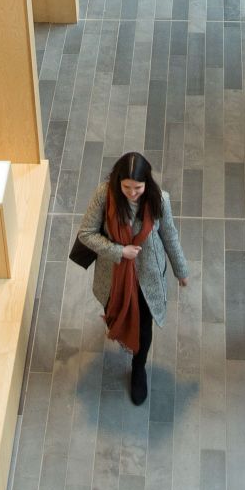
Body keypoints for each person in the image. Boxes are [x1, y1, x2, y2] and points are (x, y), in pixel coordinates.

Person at [76, 151, 189, 406]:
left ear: (146, 182)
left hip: (147, 277)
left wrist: (180, 270)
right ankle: (123, 336)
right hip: (114, 276)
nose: (132, 193)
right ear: (118, 181)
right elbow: (86, 233)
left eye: (137, 187)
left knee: (144, 329)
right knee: (115, 314)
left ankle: (139, 367)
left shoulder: (160, 200)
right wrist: (119, 251)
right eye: (126, 187)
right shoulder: (104, 195)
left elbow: (169, 236)